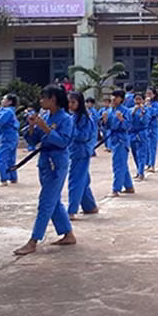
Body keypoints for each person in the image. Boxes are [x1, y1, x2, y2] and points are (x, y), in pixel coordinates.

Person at [14, 85, 76, 255]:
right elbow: (33, 140)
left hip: (57, 163)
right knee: (54, 200)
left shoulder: (66, 119)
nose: (41, 101)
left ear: (53, 99)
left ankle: (34, 240)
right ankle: (68, 234)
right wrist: (33, 128)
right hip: (45, 162)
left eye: (44, 97)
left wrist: (47, 129)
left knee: (46, 201)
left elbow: (64, 142)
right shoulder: (45, 116)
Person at [67, 91, 98, 220]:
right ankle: (90, 206)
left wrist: (70, 129)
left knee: (75, 180)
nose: (70, 104)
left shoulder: (83, 118)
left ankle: (71, 210)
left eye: (73, 102)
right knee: (83, 179)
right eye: (69, 102)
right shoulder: (72, 116)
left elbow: (84, 136)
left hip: (81, 152)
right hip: (74, 151)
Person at [102, 89, 134, 196]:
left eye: (116, 97)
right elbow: (106, 127)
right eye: (112, 97)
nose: (113, 99)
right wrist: (105, 121)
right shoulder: (110, 111)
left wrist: (122, 120)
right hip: (113, 139)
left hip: (121, 139)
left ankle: (116, 189)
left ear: (121, 99)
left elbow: (128, 126)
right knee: (122, 164)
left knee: (118, 164)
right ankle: (129, 186)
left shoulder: (126, 111)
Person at [0, 94, 20, 185]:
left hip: (7, 136)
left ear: (10, 102)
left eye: (4, 99)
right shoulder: (9, 111)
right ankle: (13, 177)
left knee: (1, 159)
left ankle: (4, 179)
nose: (2, 100)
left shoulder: (7, 112)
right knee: (11, 159)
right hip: (12, 136)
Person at [130, 93, 149, 180]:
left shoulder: (146, 110)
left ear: (143, 100)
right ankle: (138, 170)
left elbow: (145, 122)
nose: (138, 101)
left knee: (141, 153)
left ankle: (141, 172)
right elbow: (128, 120)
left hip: (142, 133)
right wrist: (134, 112)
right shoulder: (130, 110)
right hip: (132, 133)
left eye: (140, 99)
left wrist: (143, 114)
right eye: (136, 99)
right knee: (134, 154)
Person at [145, 88, 158, 172]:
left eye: (150, 94)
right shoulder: (144, 104)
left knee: (152, 146)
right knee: (145, 146)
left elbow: (155, 113)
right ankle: (147, 163)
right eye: (147, 94)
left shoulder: (155, 104)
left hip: (153, 127)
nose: (148, 95)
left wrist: (149, 107)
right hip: (145, 127)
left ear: (154, 95)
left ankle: (152, 164)